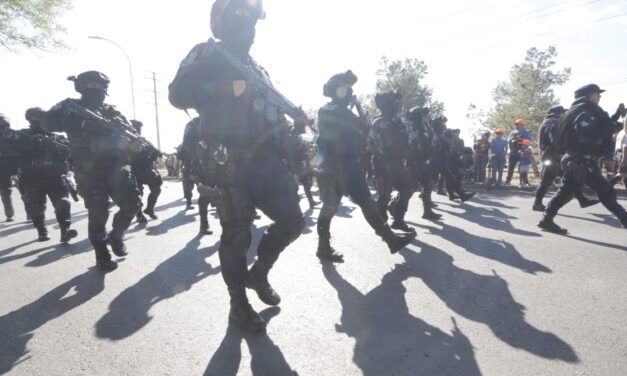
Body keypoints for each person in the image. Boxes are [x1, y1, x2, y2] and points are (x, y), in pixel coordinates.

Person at [169, 0, 305, 333]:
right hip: (227, 160)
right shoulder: (208, 53)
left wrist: (295, 122)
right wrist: (226, 89)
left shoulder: (258, 69)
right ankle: (238, 305)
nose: (249, 31)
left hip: (267, 161)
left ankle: (258, 275)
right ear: (224, 23)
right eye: (241, 22)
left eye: (253, 24)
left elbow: (270, 114)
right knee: (236, 236)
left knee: (293, 222)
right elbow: (177, 94)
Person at [38, 71, 142, 271]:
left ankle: (117, 236)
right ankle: (101, 255)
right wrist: (82, 124)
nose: (96, 90)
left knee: (133, 204)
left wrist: (132, 139)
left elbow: (131, 134)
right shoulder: (69, 106)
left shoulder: (112, 111)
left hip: (117, 167)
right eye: (91, 85)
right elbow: (47, 123)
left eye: (100, 86)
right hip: (89, 170)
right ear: (81, 87)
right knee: (98, 214)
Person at [315, 71, 416, 264]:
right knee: (329, 209)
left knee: (368, 204)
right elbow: (356, 126)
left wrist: (360, 116)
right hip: (334, 167)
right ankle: (323, 247)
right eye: (346, 87)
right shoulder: (328, 109)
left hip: (351, 166)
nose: (350, 91)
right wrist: (359, 118)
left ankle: (391, 240)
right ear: (338, 90)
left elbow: (363, 129)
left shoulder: (346, 110)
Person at [539, 84, 627, 233]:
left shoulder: (580, 111)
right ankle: (624, 218)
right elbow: (588, 135)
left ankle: (546, 220)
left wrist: (616, 116)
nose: (599, 96)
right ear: (587, 96)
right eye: (596, 94)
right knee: (604, 191)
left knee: (566, 192)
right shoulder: (584, 113)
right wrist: (607, 134)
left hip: (576, 159)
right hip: (581, 160)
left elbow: (599, 127)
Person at [2, 108, 77, 242]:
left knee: (63, 203)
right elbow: (7, 146)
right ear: (30, 120)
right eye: (38, 118)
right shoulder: (21, 135)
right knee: (36, 207)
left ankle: (65, 230)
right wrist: (30, 143)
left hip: (56, 177)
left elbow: (70, 152)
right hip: (33, 178)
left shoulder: (57, 137)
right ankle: (42, 230)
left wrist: (56, 146)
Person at [533, 106, 598, 211]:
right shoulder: (553, 122)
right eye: (563, 112)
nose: (564, 114)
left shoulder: (546, 122)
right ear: (558, 113)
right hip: (553, 156)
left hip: (552, 156)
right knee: (548, 181)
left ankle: (582, 200)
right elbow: (554, 139)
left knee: (568, 179)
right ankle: (537, 203)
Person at [370, 91, 416, 232]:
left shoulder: (401, 122)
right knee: (384, 195)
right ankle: (383, 228)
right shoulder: (378, 123)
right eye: (394, 103)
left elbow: (410, 139)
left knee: (408, 188)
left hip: (399, 164)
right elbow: (373, 144)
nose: (397, 105)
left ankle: (398, 219)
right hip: (382, 164)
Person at [405, 106, 442, 220]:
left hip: (423, 161)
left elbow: (433, 140)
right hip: (413, 162)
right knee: (410, 188)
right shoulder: (409, 128)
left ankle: (427, 211)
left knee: (428, 185)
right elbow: (409, 145)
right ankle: (394, 207)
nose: (423, 117)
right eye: (420, 115)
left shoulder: (425, 127)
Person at [181, 117, 212, 235]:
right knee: (205, 194)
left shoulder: (223, 117)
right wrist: (199, 152)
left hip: (224, 162)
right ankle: (204, 224)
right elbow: (187, 144)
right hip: (203, 163)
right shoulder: (194, 123)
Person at [130, 120, 163, 223]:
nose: (138, 130)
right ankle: (139, 214)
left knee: (156, 189)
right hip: (135, 171)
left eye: (139, 128)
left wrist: (156, 153)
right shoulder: (127, 140)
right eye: (136, 128)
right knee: (138, 194)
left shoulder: (144, 140)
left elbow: (155, 151)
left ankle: (149, 209)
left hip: (147, 169)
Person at [287, 122, 319, 209]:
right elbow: (296, 154)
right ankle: (292, 206)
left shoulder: (295, 139)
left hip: (298, 165)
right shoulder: (293, 140)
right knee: (297, 186)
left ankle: (311, 202)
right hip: (297, 165)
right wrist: (306, 155)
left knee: (305, 184)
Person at [0, 113, 18, 222]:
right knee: (25, 189)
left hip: (9, 165)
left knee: (5, 191)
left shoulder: (13, 134)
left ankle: (10, 214)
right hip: (15, 164)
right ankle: (30, 213)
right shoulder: (14, 134)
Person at [505, 119, 532, 185]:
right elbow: (508, 140)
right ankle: (508, 181)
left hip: (523, 153)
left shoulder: (527, 132)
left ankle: (525, 182)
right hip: (513, 152)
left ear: (522, 125)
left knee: (523, 168)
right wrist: (512, 138)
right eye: (516, 124)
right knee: (511, 167)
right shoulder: (513, 132)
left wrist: (520, 139)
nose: (516, 125)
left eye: (517, 124)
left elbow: (529, 140)